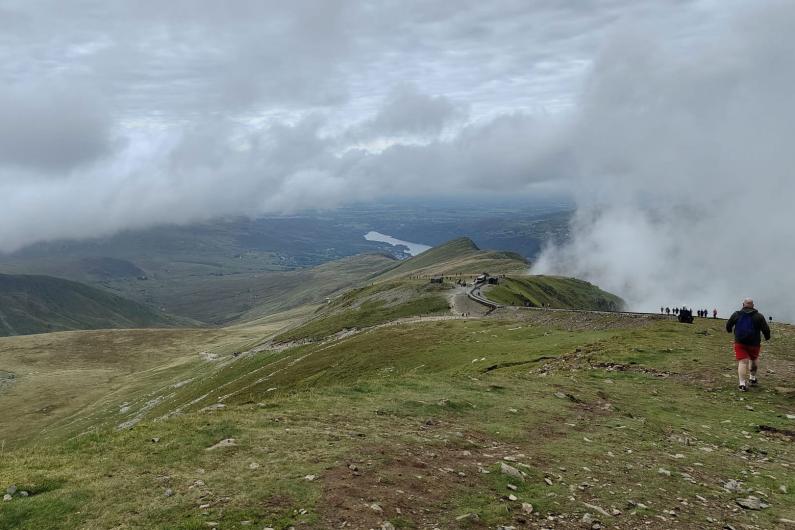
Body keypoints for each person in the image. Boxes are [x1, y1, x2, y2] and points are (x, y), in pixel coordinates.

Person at [726, 298, 771, 391]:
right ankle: (752, 378)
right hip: (754, 343)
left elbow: (728, 325)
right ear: (753, 305)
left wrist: (729, 330)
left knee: (742, 362)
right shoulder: (759, 316)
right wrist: (767, 337)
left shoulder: (736, 314)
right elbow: (766, 329)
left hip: (740, 342)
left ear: (743, 304)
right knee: (753, 359)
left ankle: (742, 384)